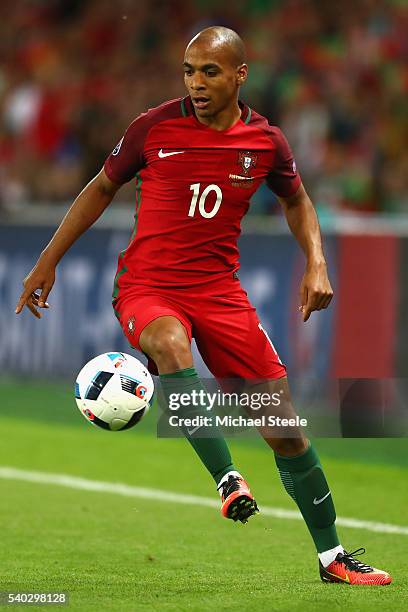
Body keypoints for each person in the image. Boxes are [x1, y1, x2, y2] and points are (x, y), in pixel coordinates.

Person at [15, 26, 391, 585]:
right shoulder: (154, 126)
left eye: (209, 71)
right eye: (189, 70)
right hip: (148, 285)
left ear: (240, 74)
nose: (195, 82)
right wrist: (48, 260)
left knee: (285, 429)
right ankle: (228, 480)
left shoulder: (266, 141)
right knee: (169, 343)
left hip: (220, 293)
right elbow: (99, 188)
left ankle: (333, 559)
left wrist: (316, 261)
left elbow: (298, 200)